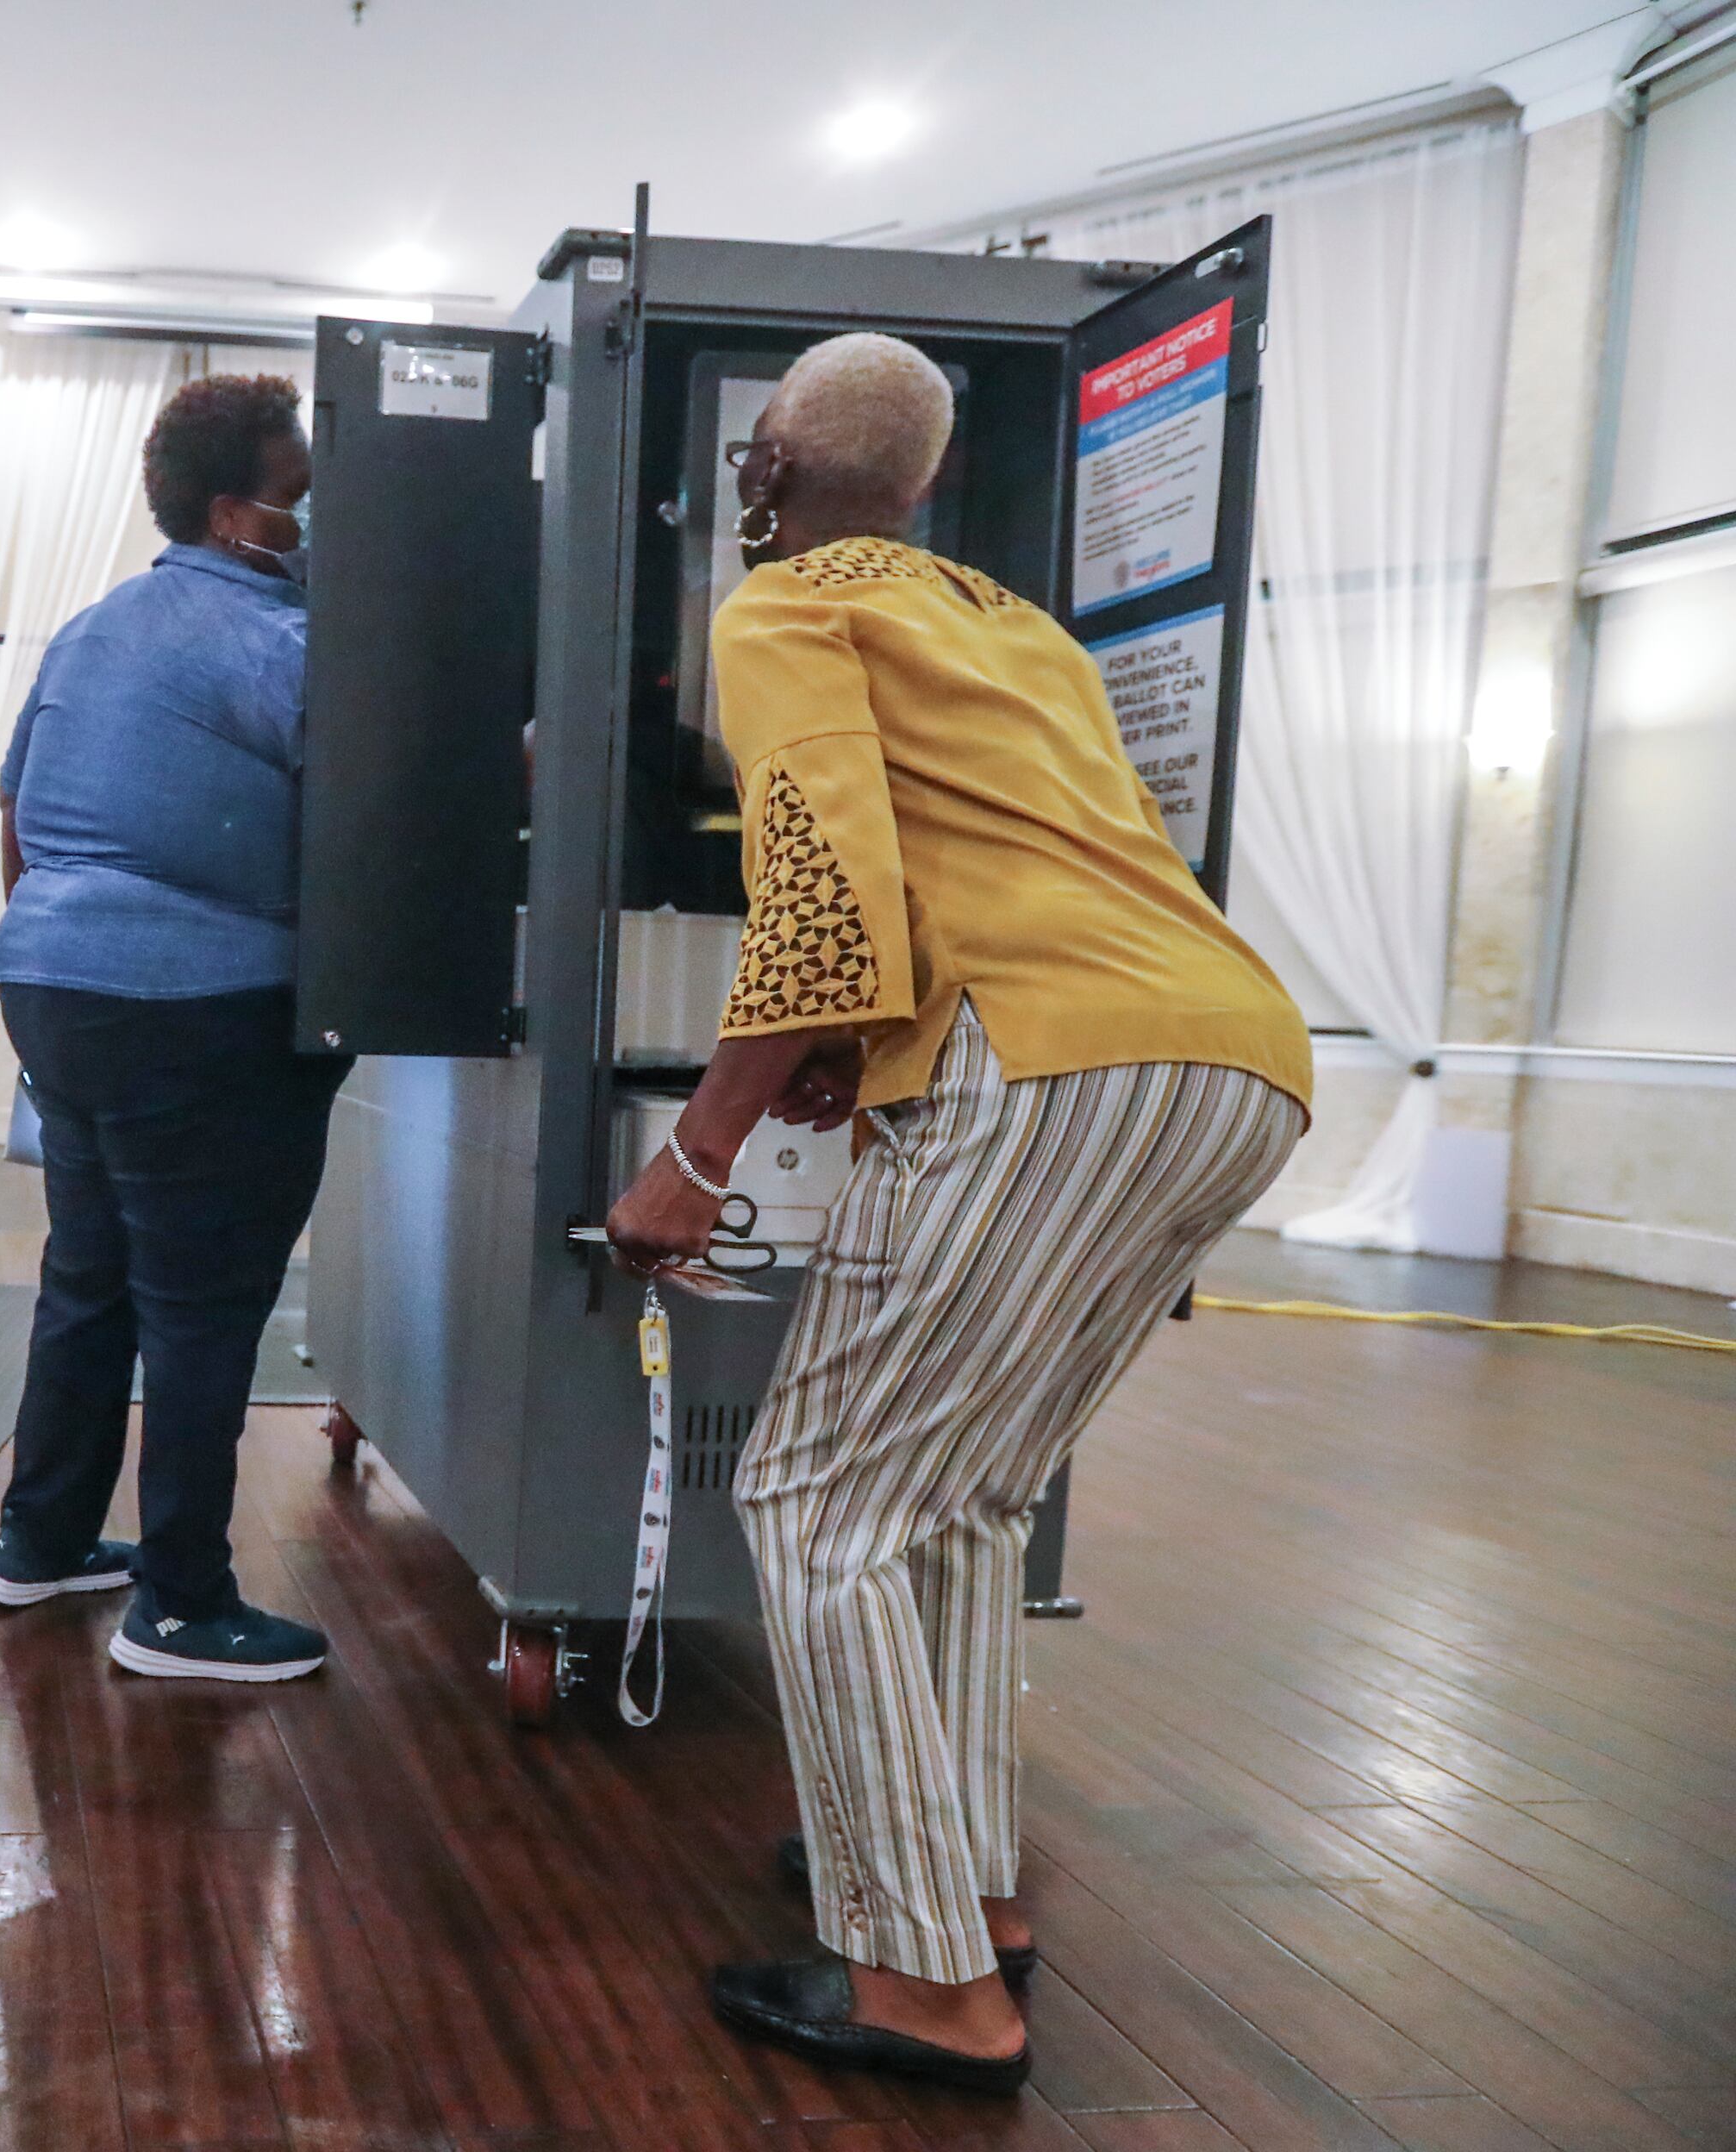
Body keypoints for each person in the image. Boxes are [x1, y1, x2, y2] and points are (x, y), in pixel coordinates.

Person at [603, 335, 1310, 2091]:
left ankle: (923, 1987)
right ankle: (960, 1890)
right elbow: (994, 868)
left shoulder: (787, 607)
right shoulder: (1022, 630)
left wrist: (697, 1154)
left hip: (1050, 1059)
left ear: (769, 466)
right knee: (965, 1499)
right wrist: (860, 1048)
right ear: (924, 487)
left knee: (820, 1499)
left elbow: (822, 890)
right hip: (1233, 1055)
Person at [0, 372, 350, 1683]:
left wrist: (72, 956)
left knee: (90, 1277)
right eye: (300, 495)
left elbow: (15, 811)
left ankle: (40, 1541)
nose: (314, 521)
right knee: (202, 1302)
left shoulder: (93, 628)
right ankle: (181, 1604)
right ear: (234, 511)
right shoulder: (278, 642)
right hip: (195, 1007)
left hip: (52, 988)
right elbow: (395, 795)